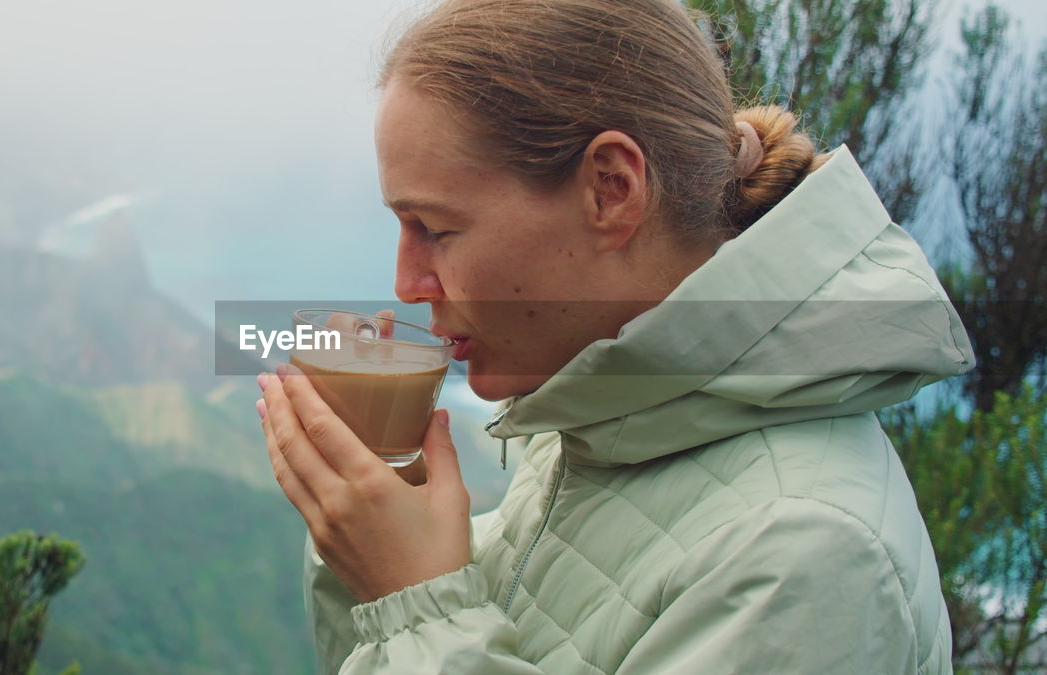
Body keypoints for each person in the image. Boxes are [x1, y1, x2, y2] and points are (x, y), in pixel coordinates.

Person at [254, 0, 973, 672]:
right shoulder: (599, 422)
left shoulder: (806, 558)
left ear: (612, 189)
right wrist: (379, 526)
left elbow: (435, 624)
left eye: (435, 228)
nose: (406, 282)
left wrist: (414, 601)